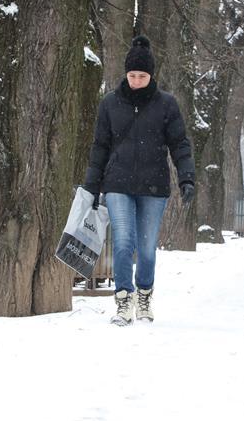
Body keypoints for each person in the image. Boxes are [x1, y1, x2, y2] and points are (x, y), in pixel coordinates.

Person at [83, 36, 196, 325]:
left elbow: (180, 144)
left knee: (146, 248)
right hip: (117, 184)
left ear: (151, 76)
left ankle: (144, 294)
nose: (136, 81)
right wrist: (92, 186)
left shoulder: (166, 105)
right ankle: (123, 299)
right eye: (132, 75)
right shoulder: (110, 103)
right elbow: (100, 147)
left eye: (142, 76)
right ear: (126, 74)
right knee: (123, 242)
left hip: (153, 186)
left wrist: (186, 177)